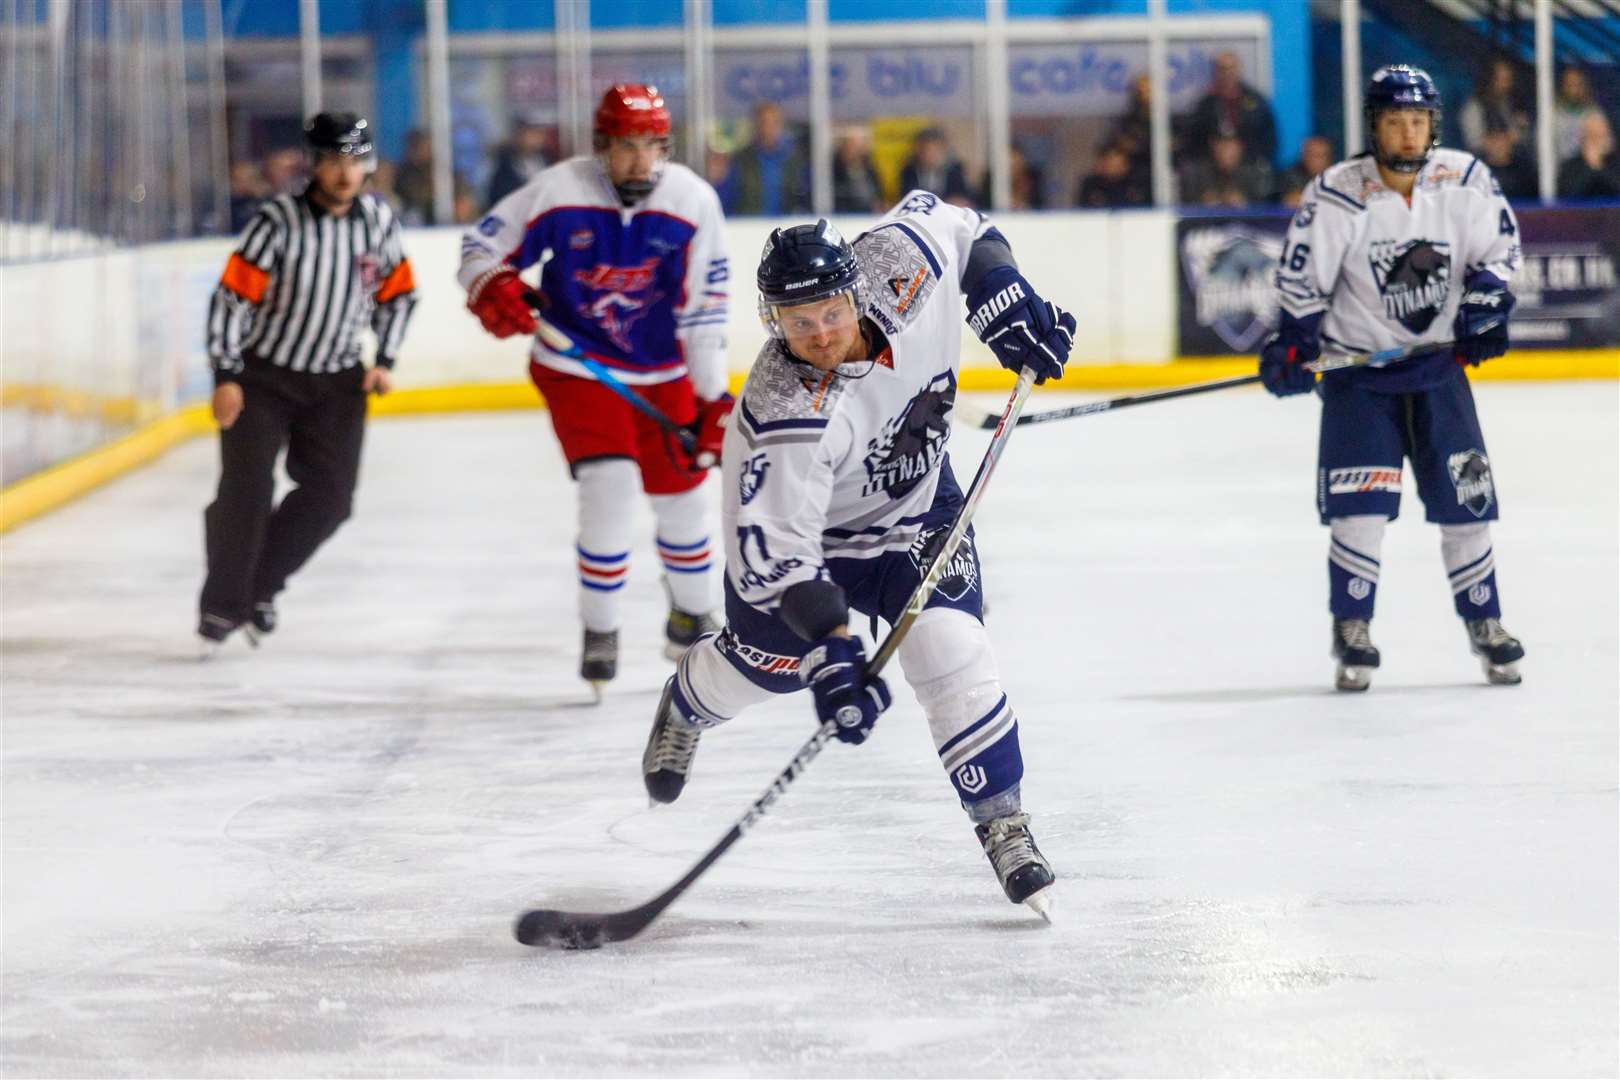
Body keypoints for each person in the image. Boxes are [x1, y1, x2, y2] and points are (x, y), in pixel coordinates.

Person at [637, 194, 1077, 917]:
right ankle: (688, 701)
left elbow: (964, 229)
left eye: (830, 312)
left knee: (950, 647)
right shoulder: (782, 413)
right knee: (766, 674)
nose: (819, 334)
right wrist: (831, 652)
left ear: (855, 290)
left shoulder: (902, 267)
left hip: (918, 510)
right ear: (772, 322)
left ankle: (1004, 822)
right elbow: (779, 557)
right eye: (796, 322)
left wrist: (1003, 292)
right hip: (815, 554)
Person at [458, 85, 732, 691]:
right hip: (577, 365)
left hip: (664, 373)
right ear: (602, 145)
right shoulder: (561, 188)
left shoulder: (692, 200)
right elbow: (481, 245)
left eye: (651, 145)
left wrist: (712, 398)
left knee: (683, 499)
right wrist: (491, 284)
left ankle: (691, 614)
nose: (640, 160)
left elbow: (705, 311)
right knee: (610, 489)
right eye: (626, 146)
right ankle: (601, 627)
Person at [1260, 65, 1525, 691]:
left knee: (1469, 504)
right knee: (1360, 512)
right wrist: (1296, 344)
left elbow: (1500, 251)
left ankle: (1485, 623)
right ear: (1373, 126)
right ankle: (1352, 628)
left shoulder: (1464, 179)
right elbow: (1301, 283)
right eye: (1394, 121)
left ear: (1432, 125)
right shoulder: (1336, 193)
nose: (1408, 134)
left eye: (1418, 121)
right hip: (1361, 379)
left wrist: (1486, 303)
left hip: (1438, 373)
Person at [199, 113, 417, 653]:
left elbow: (400, 293)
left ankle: (260, 588)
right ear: (314, 164)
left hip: (339, 382)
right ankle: (223, 605)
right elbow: (231, 299)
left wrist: (384, 357)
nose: (345, 174)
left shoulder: (379, 222)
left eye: (355, 161)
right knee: (246, 490)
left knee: (332, 497)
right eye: (334, 161)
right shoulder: (276, 221)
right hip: (264, 377)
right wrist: (226, 375)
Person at [1184, 51, 1276, 165]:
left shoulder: (1256, 101)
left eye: (1231, 68)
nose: (1227, 73)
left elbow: (1269, 135)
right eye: (1222, 69)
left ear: (1239, 69)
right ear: (1216, 72)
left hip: (1250, 166)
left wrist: (1260, 161)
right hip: (1213, 170)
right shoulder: (1206, 104)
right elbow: (1196, 140)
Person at [727, 101, 810, 216]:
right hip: (749, 226)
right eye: (763, 122)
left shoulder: (795, 160)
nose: (767, 128)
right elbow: (730, 197)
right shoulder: (740, 159)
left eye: (773, 123)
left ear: (780, 125)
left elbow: (804, 196)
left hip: (787, 224)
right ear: (755, 125)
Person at [1459, 57, 1531, 158]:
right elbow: (1474, 141)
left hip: (1514, 161)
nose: (1506, 84)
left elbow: (1522, 134)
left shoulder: (1511, 103)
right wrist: (1505, 139)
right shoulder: (1474, 107)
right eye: (1502, 79)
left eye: (1509, 79)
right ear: (1489, 80)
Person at [1178, 132, 1272, 207]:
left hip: (1248, 228)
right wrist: (1202, 204)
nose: (1226, 151)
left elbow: (1267, 207)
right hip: (1207, 228)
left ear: (1240, 146)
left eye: (1231, 145)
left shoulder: (1255, 172)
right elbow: (1185, 206)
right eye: (1221, 144)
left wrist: (1245, 204)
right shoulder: (1198, 173)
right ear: (1213, 145)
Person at [487, 114, 554, 207]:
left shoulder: (547, 163)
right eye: (530, 133)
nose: (535, 139)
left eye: (538, 134)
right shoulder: (504, 168)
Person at [899, 128, 976, 207]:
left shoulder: (955, 170)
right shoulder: (909, 171)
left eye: (934, 150)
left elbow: (964, 196)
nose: (929, 154)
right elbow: (907, 197)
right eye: (925, 150)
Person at [1557, 112, 1620, 199]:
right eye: (1593, 136)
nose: (1599, 142)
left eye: (1602, 136)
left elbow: (1616, 190)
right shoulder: (1570, 166)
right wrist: (1591, 166)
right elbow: (1570, 196)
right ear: (1582, 138)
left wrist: (1598, 166)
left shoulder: (1616, 164)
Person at [1553, 66, 1607, 162]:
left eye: (1578, 84)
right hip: (1558, 167)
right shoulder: (1552, 112)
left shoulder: (1594, 112)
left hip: (1585, 165)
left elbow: (1606, 144)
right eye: (1570, 84)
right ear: (1563, 86)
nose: (1574, 89)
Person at [1076, 142, 1150, 208]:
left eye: (1116, 165)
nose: (1110, 165)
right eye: (1107, 161)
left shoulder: (1137, 185)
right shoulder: (1091, 185)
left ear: (1126, 165)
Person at [831, 125, 886, 214]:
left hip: (869, 210)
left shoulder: (868, 166)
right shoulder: (835, 168)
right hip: (844, 210)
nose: (856, 150)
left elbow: (877, 188)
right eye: (852, 145)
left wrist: (878, 202)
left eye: (859, 146)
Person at [1274, 135, 1333, 206]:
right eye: (1314, 156)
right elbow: (1290, 200)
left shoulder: (1335, 176)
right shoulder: (1290, 176)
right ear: (1304, 156)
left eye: (1322, 156)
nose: (1318, 161)